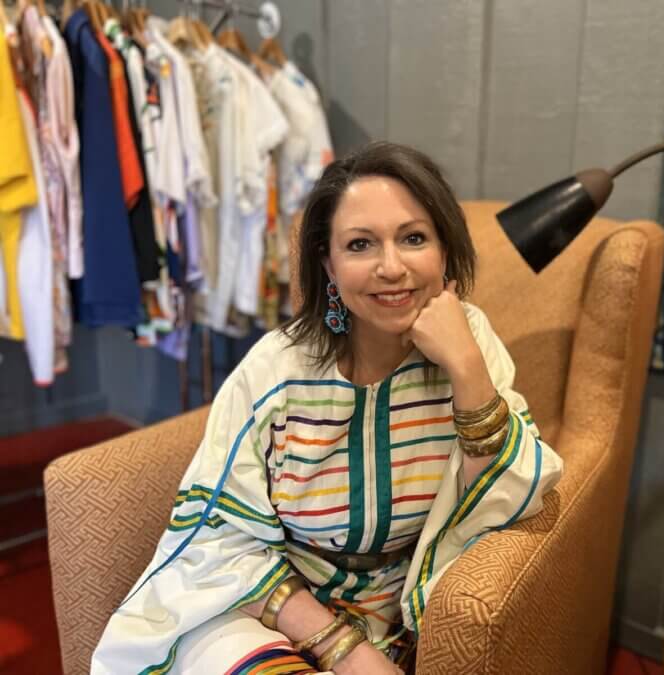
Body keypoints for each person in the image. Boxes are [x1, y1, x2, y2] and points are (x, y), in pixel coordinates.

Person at [91, 141, 564, 674]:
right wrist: (347, 652)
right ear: (329, 264)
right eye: (361, 244)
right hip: (268, 606)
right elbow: (220, 542)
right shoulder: (275, 373)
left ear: (445, 252)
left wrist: (467, 370)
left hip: (401, 607)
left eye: (413, 238)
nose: (392, 267)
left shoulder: (470, 341)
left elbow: (503, 499)